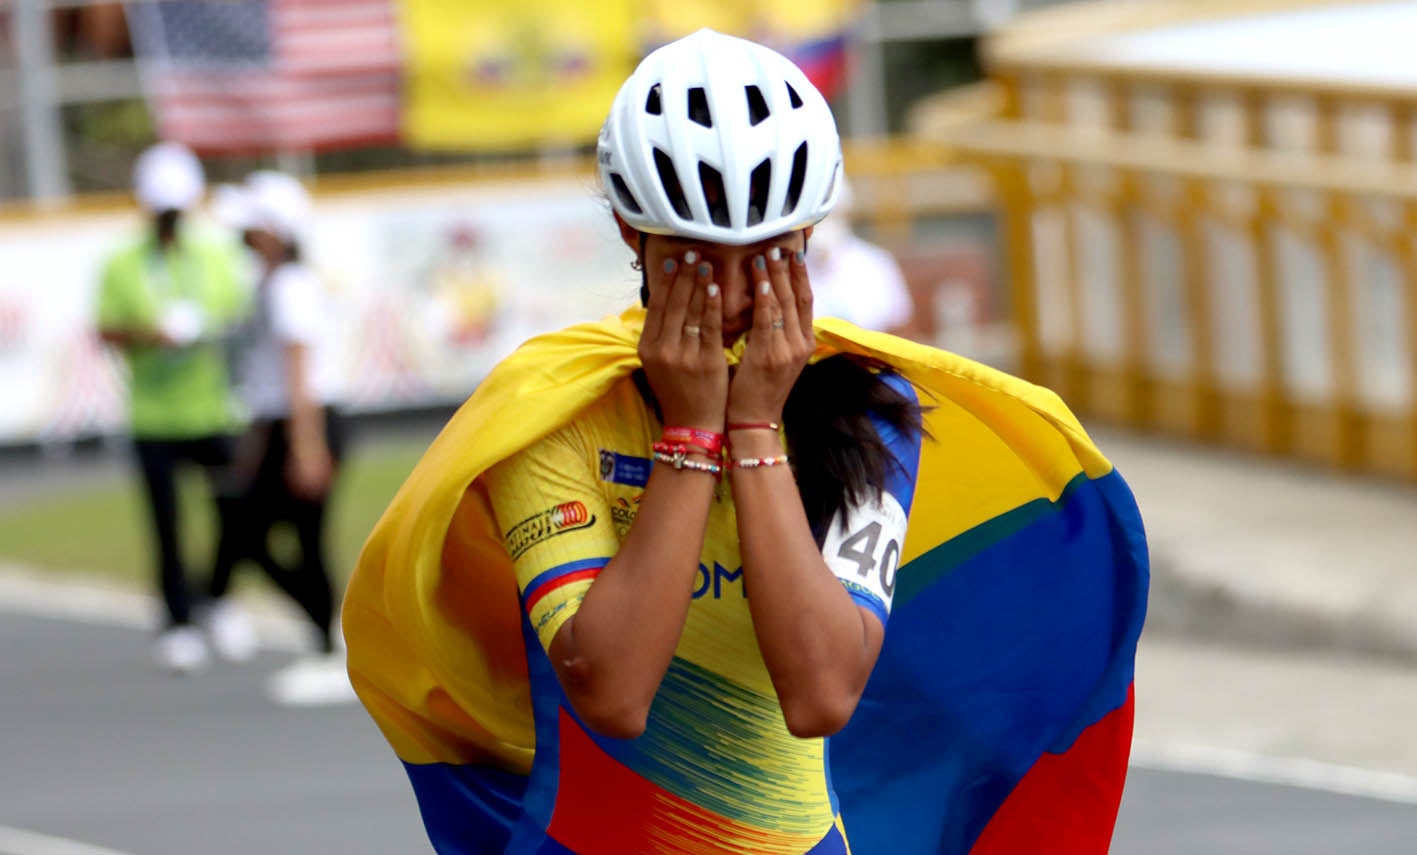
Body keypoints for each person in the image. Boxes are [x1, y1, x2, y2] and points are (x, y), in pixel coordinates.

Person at [344, 30, 1148, 854]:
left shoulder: (868, 411)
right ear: (629, 231)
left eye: (766, 256)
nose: (730, 294)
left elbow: (822, 694)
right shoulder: (555, 412)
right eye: (694, 258)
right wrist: (691, 435)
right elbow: (613, 694)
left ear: (811, 237)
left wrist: (756, 430)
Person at [96, 141, 257, 675]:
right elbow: (106, 330)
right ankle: (177, 622)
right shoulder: (121, 262)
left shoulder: (215, 255)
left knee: (234, 513)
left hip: (214, 410)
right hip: (153, 416)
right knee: (165, 525)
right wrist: (152, 336)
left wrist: (208, 331)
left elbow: (240, 315)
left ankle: (219, 597)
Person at [210, 171, 352, 705]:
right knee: (256, 535)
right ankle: (324, 634)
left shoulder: (290, 286)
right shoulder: (270, 283)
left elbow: (298, 369)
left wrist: (306, 446)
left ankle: (329, 641)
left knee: (293, 536)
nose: (243, 236)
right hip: (281, 425)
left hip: (303, 422)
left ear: (275, 232)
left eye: (253, 227)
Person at [804, 181, 915, 336]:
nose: (823, 224)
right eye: (816, 218)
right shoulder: (788, 268)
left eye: (830, 215)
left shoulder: (876, 263)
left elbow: (899, 326)